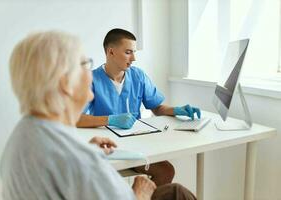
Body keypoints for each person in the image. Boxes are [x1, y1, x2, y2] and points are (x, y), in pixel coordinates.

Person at [0, 30, 196, 200]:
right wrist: (141, 193)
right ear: (65, 83)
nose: (89, 71)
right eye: (84, 64)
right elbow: (75, 164)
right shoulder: (79, 159)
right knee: (178, 194)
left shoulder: (23, 134)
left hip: (125, 149)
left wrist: (88, 151)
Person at [77, 28, 201, 186]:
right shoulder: (91, 79)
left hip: (137, 146)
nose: (134, 58)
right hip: (108, 148)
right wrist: (110, 120)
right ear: (111, 52)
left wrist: (176, 110)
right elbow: (76, 119)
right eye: (128, 52)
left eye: (134, 52)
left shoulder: (138, 76)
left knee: (166, 171)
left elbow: (157, 107)